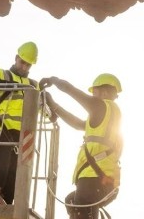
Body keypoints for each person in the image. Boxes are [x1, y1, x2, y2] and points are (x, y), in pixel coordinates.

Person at [40, 74, 123, 219]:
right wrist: (53, 105)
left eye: (94, 91)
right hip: (104, 180)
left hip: (94, 177)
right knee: (71, 201)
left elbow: (71, 90)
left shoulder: (101, 106)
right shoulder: (109, 116)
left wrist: (54, 80)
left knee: (80, 208)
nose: (92, 95)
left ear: (105, 91)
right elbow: (78, 124)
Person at [0, 42, 39, 204]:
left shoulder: (33, 85)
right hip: (1, 130)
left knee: (13, 180)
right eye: (22, 62)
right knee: (0, 173)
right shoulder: (2, 74)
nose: (24, 67)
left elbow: (41, 110)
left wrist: (49, 107)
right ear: (16, 58)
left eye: (28, 64)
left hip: (22, 137)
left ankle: (3, 207)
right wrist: (7, 85)